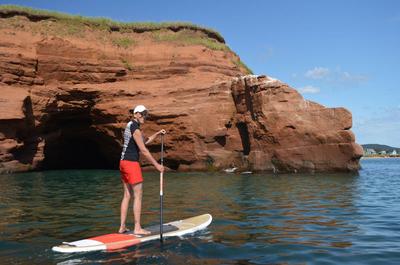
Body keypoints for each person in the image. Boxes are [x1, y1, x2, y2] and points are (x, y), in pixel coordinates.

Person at [119, 104, 165, 235]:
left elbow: (145, 142)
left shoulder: (130, 126)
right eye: (143, 114)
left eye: (146, 115)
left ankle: (122, 226)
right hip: (131, 164)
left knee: (127, 195)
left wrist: (157, 133)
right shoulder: (135, 129)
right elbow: (144, 150)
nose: (145, 117)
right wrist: (157, 166)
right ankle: (137, 227)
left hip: (123, 163)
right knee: (138, 196)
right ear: (137, 114)